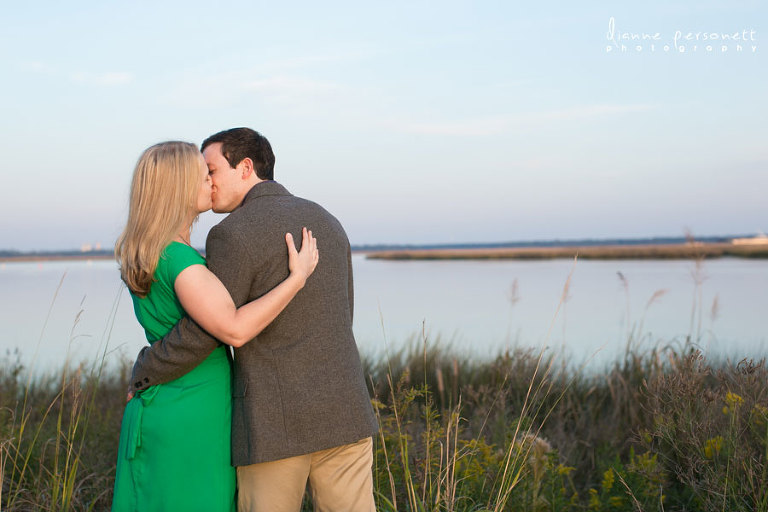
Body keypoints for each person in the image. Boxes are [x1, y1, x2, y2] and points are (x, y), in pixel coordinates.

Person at [129, 128, 378, 512]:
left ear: (245, 167)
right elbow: (342, 313)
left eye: (211, 170)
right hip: (345, 411)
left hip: (274, 424)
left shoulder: (231, 234)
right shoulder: (327, 221)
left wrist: (147, 367)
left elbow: (206, 331)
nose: (208, 183)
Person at [112, 141, 319, 512]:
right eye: (202, 175)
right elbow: (235, 329)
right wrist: (296, 279)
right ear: (178, 187)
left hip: (166, 401)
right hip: (192, 411)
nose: (211, 182)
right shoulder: (179, 260)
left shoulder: (152, 252)